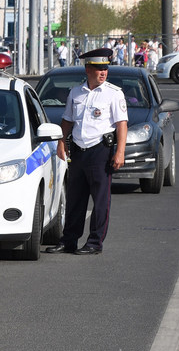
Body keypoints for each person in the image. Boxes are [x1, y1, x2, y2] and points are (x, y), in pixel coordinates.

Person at [46, 48, 128, 256]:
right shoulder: (76, 92)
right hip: (79, 151)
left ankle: (94, 242)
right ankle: (69, 240)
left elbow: (121, 125)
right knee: (75, 199)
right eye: (99, 69)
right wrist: (61, 143)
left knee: (100, 199)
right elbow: (67, 120)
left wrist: (120, 152)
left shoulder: (113, 93)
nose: (103, 72)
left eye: (105, 69)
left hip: (100, 151)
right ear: (88, 69)